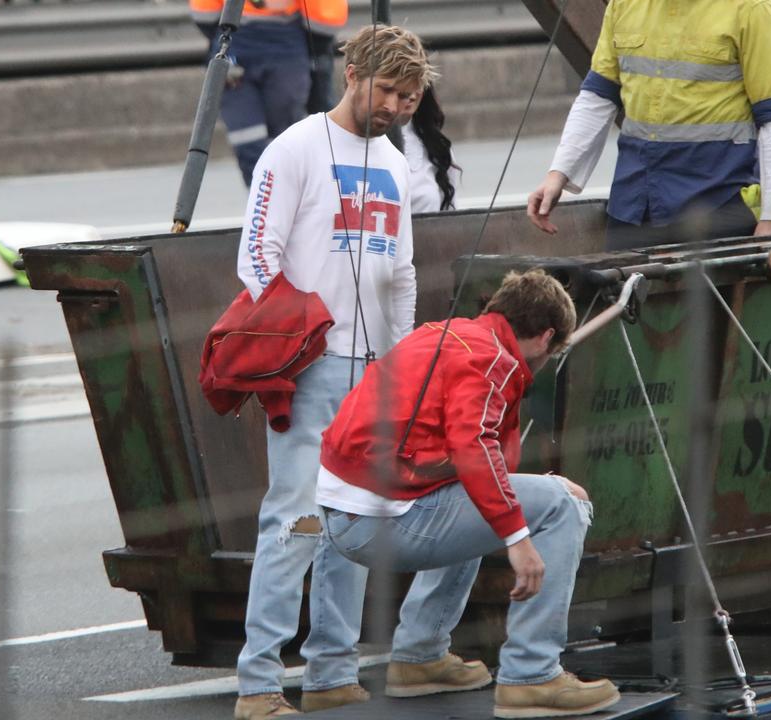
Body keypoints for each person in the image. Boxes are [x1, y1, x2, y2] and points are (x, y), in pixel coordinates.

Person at [231, 25, 435, 720]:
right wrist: (298, 336)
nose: (397, 108)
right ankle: (258, 684)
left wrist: (400, 359)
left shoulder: (397, 161)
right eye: (387, 92)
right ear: (351, 73)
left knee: (352, 521)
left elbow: (401, 270)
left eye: (409, 98)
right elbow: (258, 255)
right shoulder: (293, 150)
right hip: (313, 366)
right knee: (296, 520)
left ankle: (331, 670)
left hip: (376, 369)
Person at [317, 269, 619, 719]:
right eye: (552, 351)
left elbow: (471, 462)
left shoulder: (446, 333)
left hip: (345, 514)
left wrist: (517, 502)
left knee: (487, 496)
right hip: (383, 520)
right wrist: (519, 537)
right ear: (546, 338)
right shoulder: (492, 360)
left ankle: (420, 658)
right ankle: (532, 675)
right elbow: (474, 444)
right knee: (565, 504)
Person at [527, 0, 771, 249]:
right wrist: (558, 175)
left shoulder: (753, 10)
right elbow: (597, 97)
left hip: (717, 207)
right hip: (634, 206)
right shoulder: (624, 5)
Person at [191, 0, 347, 186]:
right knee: (257, 138)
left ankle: (276, 199)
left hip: (264, 41)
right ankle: (267, 200)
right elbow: (324, 22)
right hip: (272, 44)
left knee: (278, 141)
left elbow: (204, 15)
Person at [402, 84, 462, 214]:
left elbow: (451, 219)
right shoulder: (367, 145)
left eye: (417, 81)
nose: (411, 95)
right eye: (402, 78)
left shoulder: (437, 148)